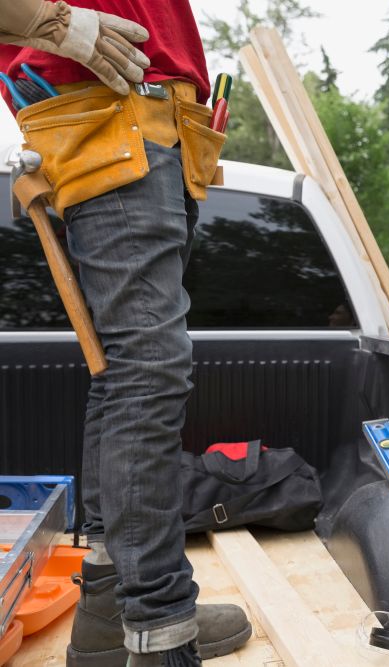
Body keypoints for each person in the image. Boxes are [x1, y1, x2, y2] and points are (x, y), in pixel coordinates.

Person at [1, 1, 249, 665]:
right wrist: (55, 24)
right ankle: (160, 633)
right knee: (147, 369)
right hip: (105, 107)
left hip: (157, 124)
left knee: (122, 372)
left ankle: (112, 607)